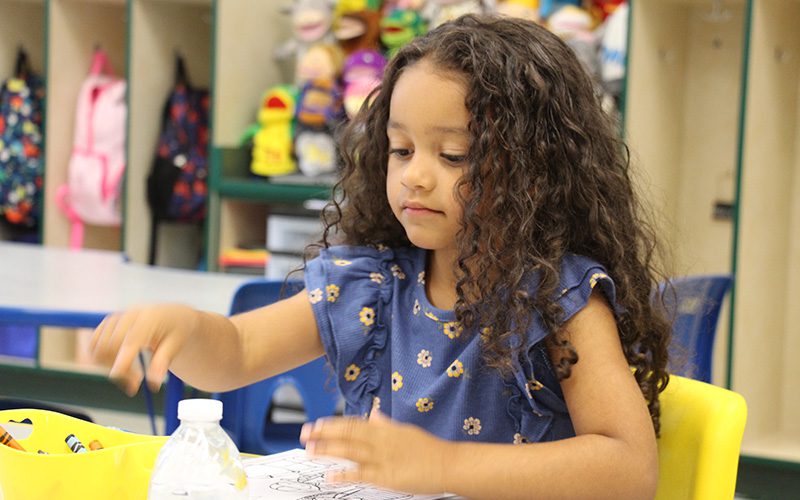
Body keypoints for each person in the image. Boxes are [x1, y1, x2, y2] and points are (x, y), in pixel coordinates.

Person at [91, 14, 671, 499]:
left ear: (536, 174)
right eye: (400, 148)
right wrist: (184, 330)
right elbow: (238, 351)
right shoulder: (374, 284)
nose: (415, 176)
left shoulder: (556, 299)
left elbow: (628, 467)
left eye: (454, 155)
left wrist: (442, 466)